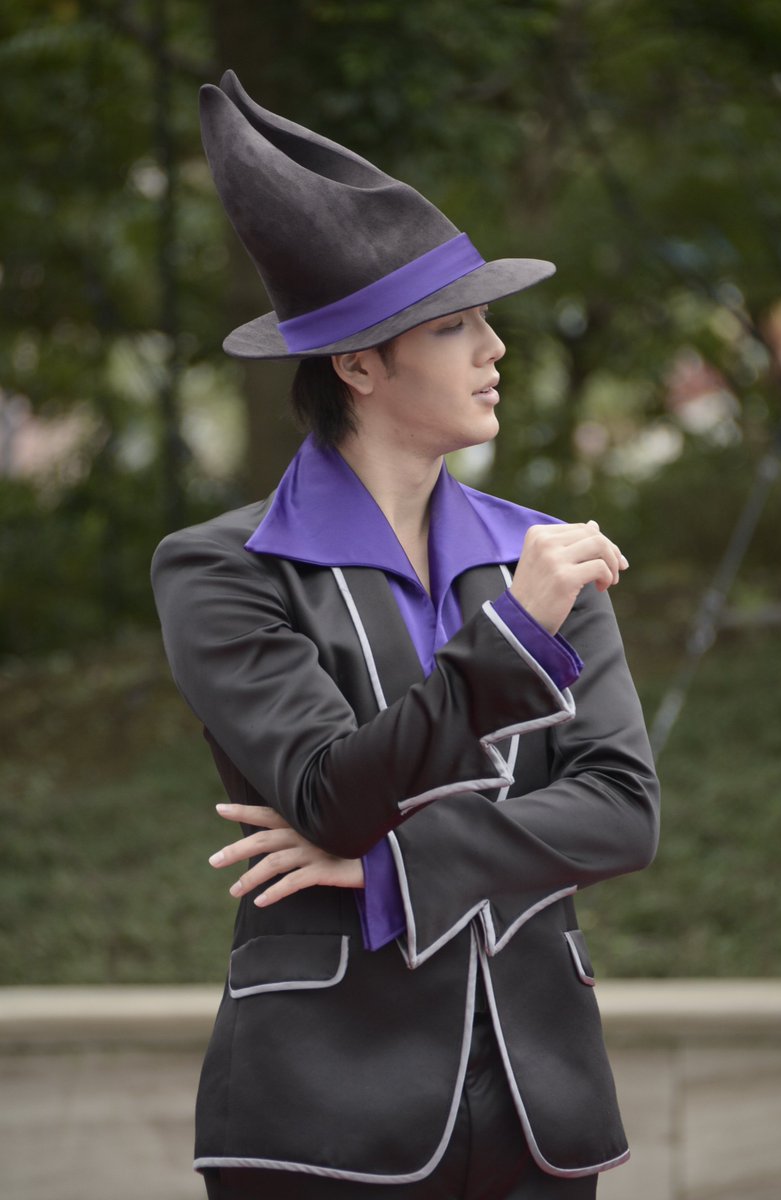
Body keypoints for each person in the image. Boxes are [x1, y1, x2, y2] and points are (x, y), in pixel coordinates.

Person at [151, 70, 660, 1200]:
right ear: (358, 365)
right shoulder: (223, 568)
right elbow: (329, 793)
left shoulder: (541, 553)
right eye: (455, 324)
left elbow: (623, 811)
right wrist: (512, 635)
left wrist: (393, 866)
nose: (495, 348)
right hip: (319, 1116)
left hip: (543, 1110)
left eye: (485, 320)